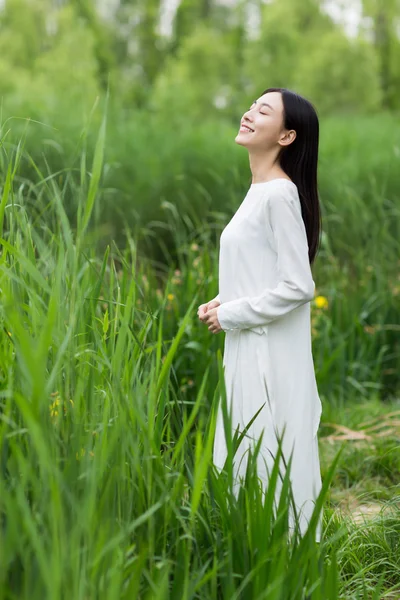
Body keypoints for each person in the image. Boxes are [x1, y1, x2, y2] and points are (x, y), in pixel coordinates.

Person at [197, 87, 323, 542]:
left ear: (287, 136)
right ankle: (251, 552)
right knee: (248, 448)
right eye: (252, 105)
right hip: (249, 341)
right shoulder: (259, 192)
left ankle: (282, 560)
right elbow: (262, 272)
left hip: (263, 352)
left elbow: (298, 286)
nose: (249, 113)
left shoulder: (278, 195)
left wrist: (231, 313)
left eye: (263, 111)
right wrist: (222, 300)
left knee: (263, 447)